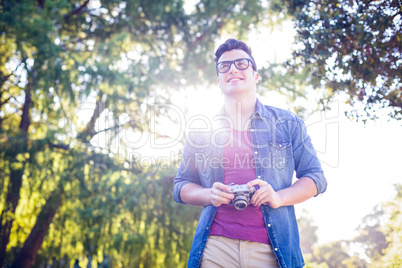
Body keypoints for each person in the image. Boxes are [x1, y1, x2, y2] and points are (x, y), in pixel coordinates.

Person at [173, 38, 327, 268]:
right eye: (224, 66)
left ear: (256, 75)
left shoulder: (288, 123)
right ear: (219, 80)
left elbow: (315, 179)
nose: (233, 69)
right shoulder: (200, 132)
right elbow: (181, 186)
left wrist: (278, 197)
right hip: (215, 246)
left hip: (271, 249)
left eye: (242, 63)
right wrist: (209, 195)